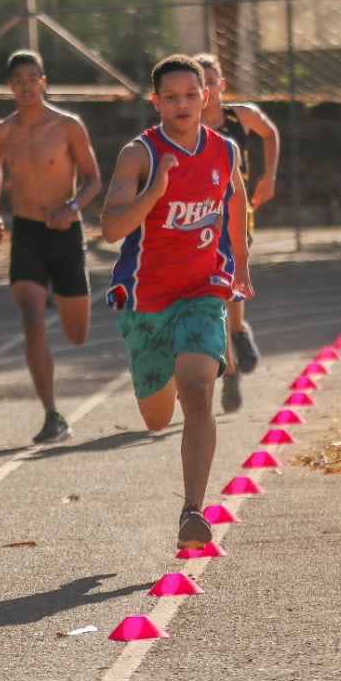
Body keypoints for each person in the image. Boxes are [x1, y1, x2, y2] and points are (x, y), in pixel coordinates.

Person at [100, 54, 253, 551]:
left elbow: (237, 205)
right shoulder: (138, 155)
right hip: (146, 300)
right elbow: (110, 229)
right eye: (172, 97)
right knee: (157, 419)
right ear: (156, 102)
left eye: (192, 94)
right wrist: (156, 192)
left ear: (206, 96)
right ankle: (164, 368)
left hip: (203, 289)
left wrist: (242, 268)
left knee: (199, 393)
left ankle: (193, 510)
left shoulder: (224, 150)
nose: (183, 104)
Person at [0, 50, 102, 444]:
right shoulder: (1, 132)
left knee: (77, 334)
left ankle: (54, 409)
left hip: (66, 234)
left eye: (33, 78)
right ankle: (53, 415)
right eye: (19, 80)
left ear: (44, 82)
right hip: (28, 232)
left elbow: (93, 180)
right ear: (10, 86)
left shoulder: (68, 126)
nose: (27, 86)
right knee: (32, 318)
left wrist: (71, 208)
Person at [193, 53, 279, 413]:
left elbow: (270, 133)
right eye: (202, 85)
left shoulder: (240, 116)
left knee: (231, 280)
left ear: (221, 85)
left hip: (237, 210)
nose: (208, 90)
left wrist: (269, 177)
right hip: (199, 216)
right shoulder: (188, 123)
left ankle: (240, 332)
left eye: (212, 82)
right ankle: (229, 370)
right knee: (212, 294)